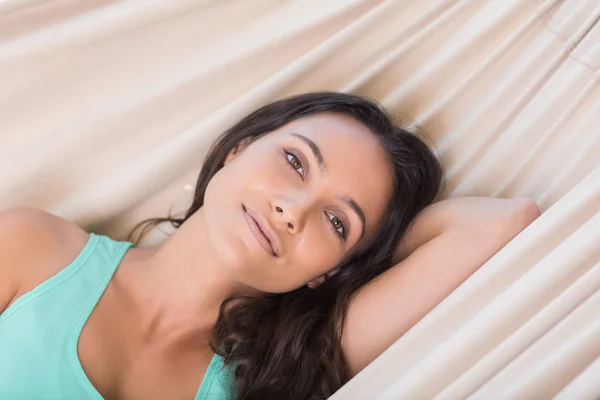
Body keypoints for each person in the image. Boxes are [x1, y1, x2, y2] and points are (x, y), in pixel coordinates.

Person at [0, 92, 540, 400]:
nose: (292, 210)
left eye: (335, 221)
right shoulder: (34, 250)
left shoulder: (280, 372)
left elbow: (498, 226)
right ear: (238, 150)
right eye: (296, 161)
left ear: (327, 272)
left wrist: (368, 257)